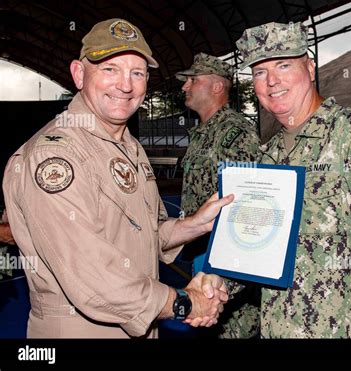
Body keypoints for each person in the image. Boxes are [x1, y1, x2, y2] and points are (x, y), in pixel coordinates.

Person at [2, 18, 231, 338]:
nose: (126, 85)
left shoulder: (128, 148)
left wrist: (196, 224)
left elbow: (144, 234)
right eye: (110, 69)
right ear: (79, 75)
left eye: (137, 73)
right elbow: (93, 278)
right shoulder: (53, 157)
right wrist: (185, 303)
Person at [209, 21, 351, 338]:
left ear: (311, 69)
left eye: (284, 65)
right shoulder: (268, 156)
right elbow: (258, 250)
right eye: (259, 72)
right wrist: (215, 280)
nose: (272, 81)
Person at [175, 52, 261, 338]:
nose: (185, 87)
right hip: (201, 247)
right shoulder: (203, 133)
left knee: (231, 329)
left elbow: (248, 200)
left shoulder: (235, 131)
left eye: (192, 80)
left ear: (216, 86)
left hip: (227, 253)